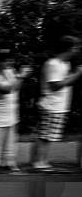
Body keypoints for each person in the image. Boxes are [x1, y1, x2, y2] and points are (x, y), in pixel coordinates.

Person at [31, 36, 81, 171]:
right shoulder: (53, 64)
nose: (77, 50)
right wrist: (77, 74)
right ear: (68, 48)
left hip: (59, 105)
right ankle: (38, 163)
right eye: (75, 47)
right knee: (44, 136)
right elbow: (55, 85)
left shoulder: (65, 64)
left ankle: (42, 161)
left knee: (49, 136)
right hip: (50, 105)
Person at [0, 47, 31, 173]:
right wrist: (20, 76)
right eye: (4, 60)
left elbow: (16, 87)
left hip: (10, 113)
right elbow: (5, 89)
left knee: (10, 141)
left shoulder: (11, 71)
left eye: (9, 60)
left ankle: (9, 163)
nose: (8, 62)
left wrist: (20, 77)